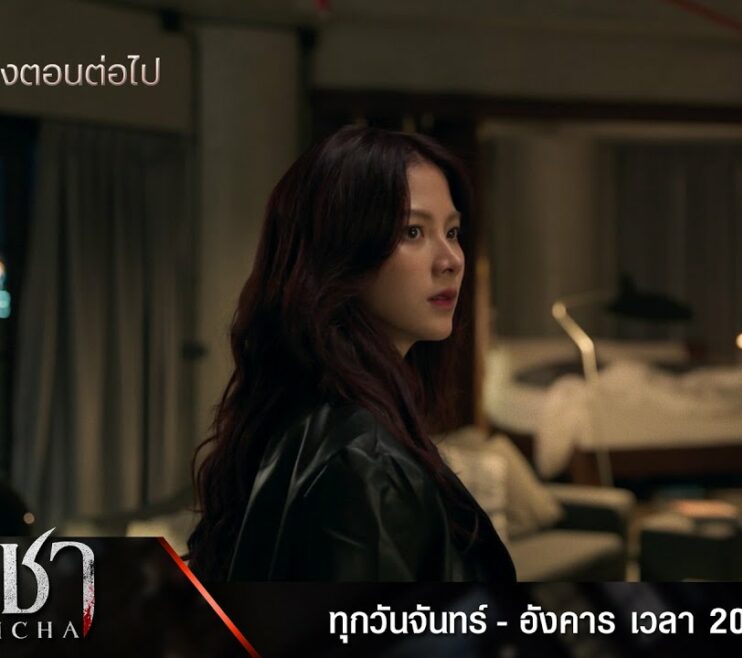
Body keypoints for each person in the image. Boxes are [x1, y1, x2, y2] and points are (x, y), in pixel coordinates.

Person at [186, 126, 516, 582]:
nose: (452, 260)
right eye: (413, 231)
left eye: (452, 231)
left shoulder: (310, 413)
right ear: (340, 252)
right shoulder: (362, 461)